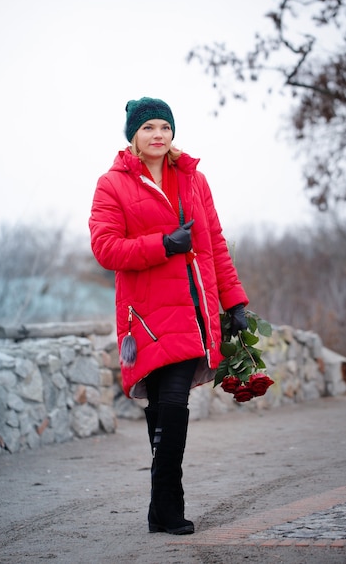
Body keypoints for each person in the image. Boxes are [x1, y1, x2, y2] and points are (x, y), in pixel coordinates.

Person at [89, 97, 249, 535]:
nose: (158, 135)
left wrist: (234, 302)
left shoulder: (194, 179)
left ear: (172, 132)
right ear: (133, 137)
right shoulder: (112, 185)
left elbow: (215, 242)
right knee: (161, 406)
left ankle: (167, 505)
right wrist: (163, 245)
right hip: (145, 315)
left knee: (174, 402)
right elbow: (105, 248)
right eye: (148, 128)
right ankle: (161, 510)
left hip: (193, 311)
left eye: (164, 126)